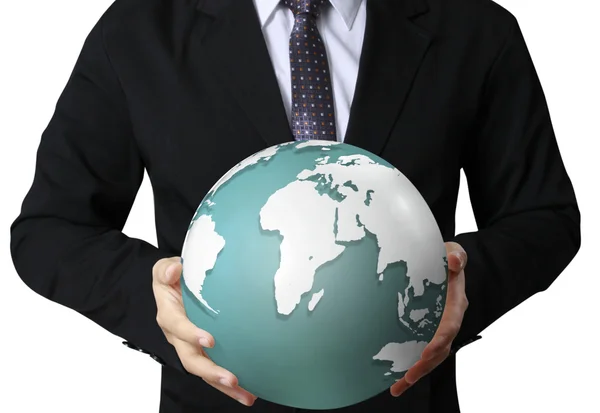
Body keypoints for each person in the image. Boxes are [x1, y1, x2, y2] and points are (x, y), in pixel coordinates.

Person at [9, 0, 580, 412]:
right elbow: (52, 230)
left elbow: (544, 217)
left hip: (405, 396)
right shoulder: (137, 32)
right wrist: (156, 301)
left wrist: (460, 281)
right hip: (217, 399)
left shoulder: (476, 28)